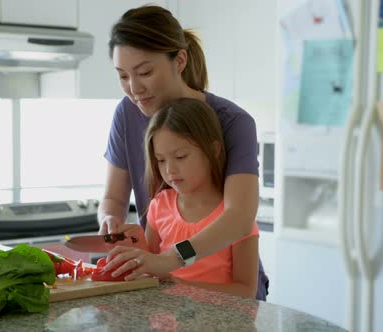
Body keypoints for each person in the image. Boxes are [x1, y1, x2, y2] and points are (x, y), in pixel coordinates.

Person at [97, 4, 269, 300]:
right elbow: (113, 199)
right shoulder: (127, 113)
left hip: (223, 290)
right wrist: (110, 220)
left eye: (145, 72)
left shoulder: (232, 121)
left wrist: (171, 260)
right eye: (123, 76)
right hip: (164, 286)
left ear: (179, 60)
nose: (134, 88)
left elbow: (240, 217)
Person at [119, 98, 259, 298]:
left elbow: (246, 291)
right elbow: (152, 271)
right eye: (160, 160)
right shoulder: (159, 206)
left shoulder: (234, 218)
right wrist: (136, 247)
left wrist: (183, 286)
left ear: (213, 150)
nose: (170, 170)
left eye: (181, 156)